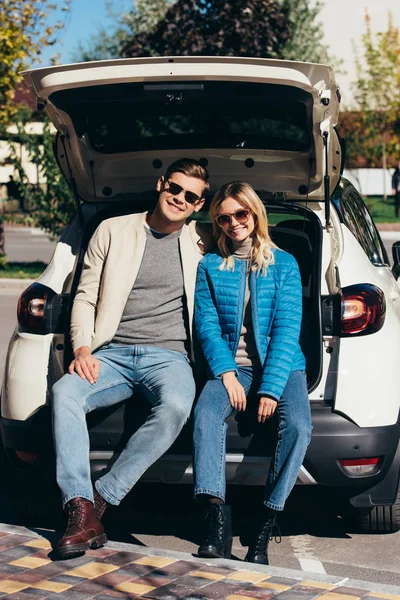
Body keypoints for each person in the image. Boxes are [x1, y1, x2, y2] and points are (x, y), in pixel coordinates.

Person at [52, 158, 209, 559]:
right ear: (161, 183)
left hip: (170, 356)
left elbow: (253, 246)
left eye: (191, 196)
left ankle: (100, 498)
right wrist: (83, 347)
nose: (179, 198)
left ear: (198, 205)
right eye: (175, 188)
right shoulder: (112, 229)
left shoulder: (201, 242)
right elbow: (85, 294)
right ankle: (77, 505)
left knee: (176, 405)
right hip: (112, 353)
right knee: (65, 392)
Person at [193, 181, 312, 565]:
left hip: (282, 366)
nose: (233, 223)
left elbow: (286, 331)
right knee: (207, 414)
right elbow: (207, 324)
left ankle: (266, 521)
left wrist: (271, 390)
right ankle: (215, 519)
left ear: (255, 212)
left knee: (298, 426)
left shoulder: (284, 264)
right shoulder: (210, 264)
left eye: (240, 214)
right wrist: (226, 373)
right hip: (235, 367)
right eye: (223, 218)